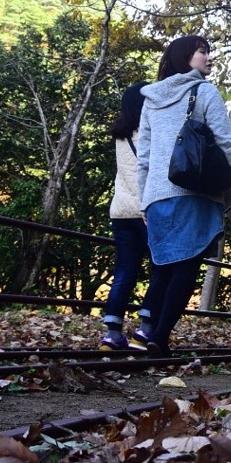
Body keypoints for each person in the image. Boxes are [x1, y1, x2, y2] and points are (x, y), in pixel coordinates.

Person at [132, 35, 231, 357]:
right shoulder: (205, 91)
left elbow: (144, 157)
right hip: (193, 192)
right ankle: (159, 338)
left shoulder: (150, 99)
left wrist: (145, 198)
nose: (209, 58)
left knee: (163, 267)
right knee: (186, 267)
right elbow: (226, 142)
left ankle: (150, 333)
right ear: (186, 56)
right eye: (203, 52)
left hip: (157, 195)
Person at [99, 82, 163, 352]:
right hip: (144, 211)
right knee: (161, 267)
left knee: (125, 270)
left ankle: (112, 334)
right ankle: (145, 328)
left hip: (120, 211)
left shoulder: (120, 135)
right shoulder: (148, 134)